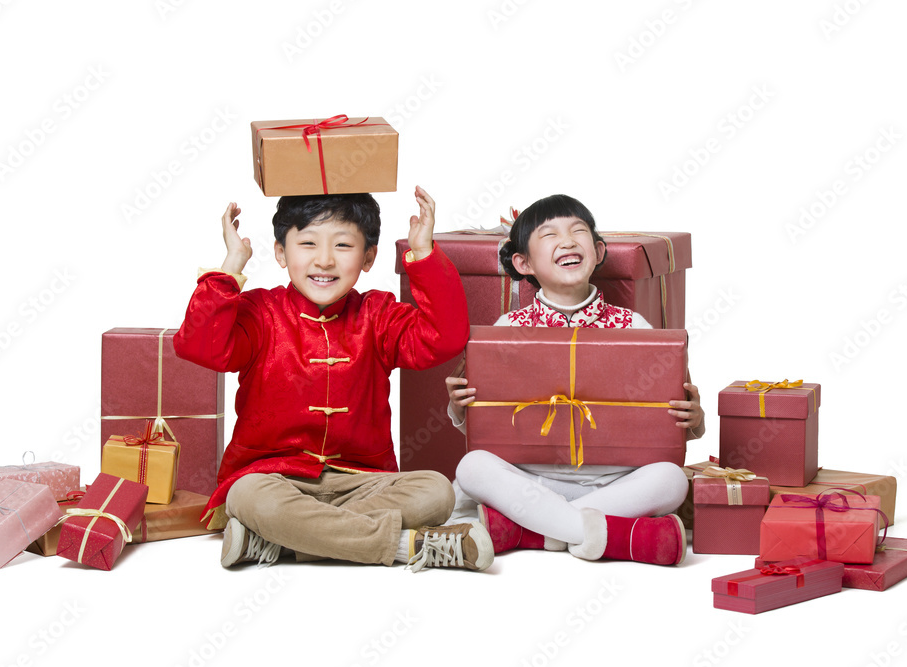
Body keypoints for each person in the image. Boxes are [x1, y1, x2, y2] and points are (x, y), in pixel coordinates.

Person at [174, 187, 493, 572]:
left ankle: (280, 539)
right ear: (280, 252)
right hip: (272, 479)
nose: (324, 260)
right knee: (248, 495)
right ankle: (405, 546)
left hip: (361, 481)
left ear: (368, 257)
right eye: (307, 243)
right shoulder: (260, 312)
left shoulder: (378, 314)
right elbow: (199, 347)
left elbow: (444, 338)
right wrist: (230, 267)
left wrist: (423, 252)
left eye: (343, 245)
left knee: (437, 492)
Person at [446, 194, 703, 565]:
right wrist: (458, 406)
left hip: (613, 481)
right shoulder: (507, 331)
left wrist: (695, 418)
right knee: (471, 468)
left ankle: (530, 531)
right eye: (549, 235)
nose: (567, 241)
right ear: (523, 262)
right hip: (532, 479)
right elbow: (486, 423)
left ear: (598, 251)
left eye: (578, 231)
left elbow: (674, 419)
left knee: (672, 480)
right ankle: (609, 535)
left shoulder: (634, 328)